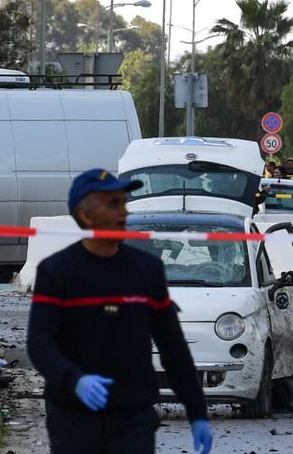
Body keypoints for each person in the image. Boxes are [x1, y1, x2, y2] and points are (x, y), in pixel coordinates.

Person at [27, 169, 212, 454]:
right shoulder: (57, 271)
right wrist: (74, 380)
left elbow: (172, 345)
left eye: (124, 202)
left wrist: (196, 410)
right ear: (86, 216)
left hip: (133, 419)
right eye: (113, 204)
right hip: (72, 418)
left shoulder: (146, 270)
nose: (124, 212)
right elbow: (39, 343)